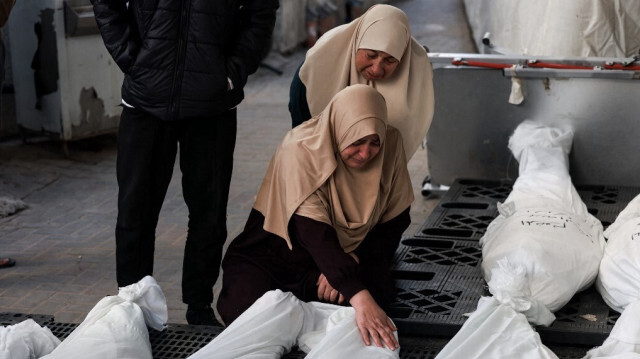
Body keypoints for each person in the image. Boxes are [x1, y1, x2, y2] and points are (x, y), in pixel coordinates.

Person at [90, 0, 278, 325]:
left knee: (209, 212)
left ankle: (199, 306)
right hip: (145, 99)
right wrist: (134, 61)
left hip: (212, 104)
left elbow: (262, 10)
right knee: (136, 210)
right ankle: (133, 307)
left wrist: (232, 72)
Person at [217, 84, 414, 351]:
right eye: (356, 142)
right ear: (339, 131)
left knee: (368, 319)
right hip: (280, 254)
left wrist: (355, 258)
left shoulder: (392, 145)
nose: (366, 154)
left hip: (347, 254)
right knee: (247, 312)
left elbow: (395, 221)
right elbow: (313, 232)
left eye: (373, 142)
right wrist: (358, 294)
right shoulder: (300, 148)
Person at [289, 4, 434, 160]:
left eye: (390, 60)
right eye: (371, 55)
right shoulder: (316, 68)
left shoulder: (414, 73)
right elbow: (301, 133)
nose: (377, 69)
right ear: (357, 42)